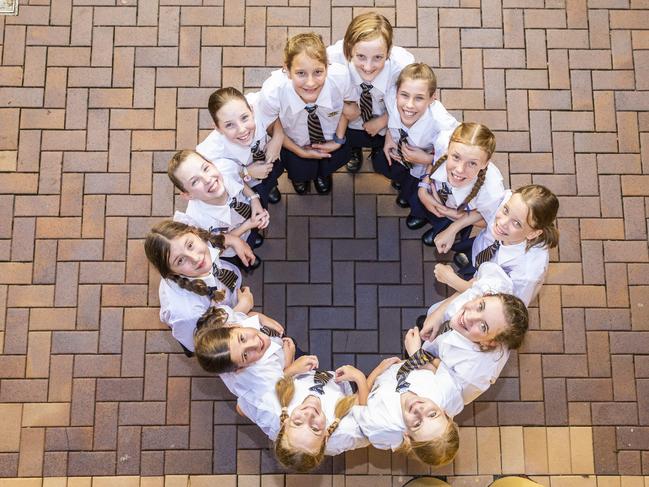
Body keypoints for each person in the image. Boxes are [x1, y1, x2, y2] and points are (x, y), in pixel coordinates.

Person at [256, 32, 359, 195]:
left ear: (327, 66)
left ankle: (323, 174)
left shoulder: (340, 78)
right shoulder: (272, 92)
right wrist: (300, 151)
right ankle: (300, 178)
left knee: (327, 162)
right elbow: (270, 125)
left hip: (329, 137)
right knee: (299, 167)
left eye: (318, 72)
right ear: (287, 70)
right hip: (294, 141)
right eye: (301, 73)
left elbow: (349, 106)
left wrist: (338, 140)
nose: (310, 83)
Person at [418, 263, 529, 406]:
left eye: (483, 326)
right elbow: (475, 285)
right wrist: (438, 314)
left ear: (490, 342)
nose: (470, 317)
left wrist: (417, 353)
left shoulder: (472, 374)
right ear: (487, 295)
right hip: (439, 330)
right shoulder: (497, 285)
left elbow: (444, 396)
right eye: (481, 306)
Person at [435, 184, 560, 306]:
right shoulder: (509, 199)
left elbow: (502, 306)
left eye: (516, 223)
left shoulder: (526, 275)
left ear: (533, 234)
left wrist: (452, 280)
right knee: (470, 261)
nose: (502, 222)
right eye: (505, 210)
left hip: (489, 290)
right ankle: (470, 264)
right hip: (482, 248)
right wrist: (452, 229)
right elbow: (485, 211)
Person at [144, 219, 253, 351]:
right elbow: (204, 344)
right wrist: (242, 308)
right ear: (170, 272)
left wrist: (234, 240)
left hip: (225, 295)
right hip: (214, 328)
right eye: (180, 260)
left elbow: (212, 240)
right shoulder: (187, 314)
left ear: (194, 233)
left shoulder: (195, 242)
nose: (195, 258)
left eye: (190, 245)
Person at [326, 12, 414, 174]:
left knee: (381, 141)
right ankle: (354, 149)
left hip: (384, 120)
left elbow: (416, 101)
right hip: (348, 122)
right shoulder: (331, 59)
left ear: (388, 52)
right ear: (349, 49)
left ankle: (377, 148)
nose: (368, 67)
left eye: (378, 57)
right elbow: (310, 86)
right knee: (350, 137)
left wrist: (383, 120)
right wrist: (342, 107)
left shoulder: (403, 67)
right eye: (360, 57)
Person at [374, 63, 459, 217]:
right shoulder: (391, 98)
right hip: (397, 152)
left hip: (421, 167)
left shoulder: (442, 123)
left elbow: (459, 152)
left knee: (411, 190)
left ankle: (408, 199)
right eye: (404, 95)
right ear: (397, 93)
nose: (409, 105)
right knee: (384, 166)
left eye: (419, 98)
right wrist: (388, 137)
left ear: (432, 98)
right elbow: (392, 118)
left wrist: (427, 159)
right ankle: (400, 181)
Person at [352, 353, 461, 467]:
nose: (419, 409)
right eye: (433, 414)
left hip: (379, 378)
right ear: (445, 413)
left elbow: (362, 408)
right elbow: (436, 371)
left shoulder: (382, 423)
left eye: (417, 424)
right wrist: (416, 354)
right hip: (404, 364)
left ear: (407, 436)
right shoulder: (441, 393)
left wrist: (375, 372)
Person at [167, 149, 269, 270]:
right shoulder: (196, 222)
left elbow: (238, 180)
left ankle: (253, 239)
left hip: (250, 218)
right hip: (231, 249)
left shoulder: (226, 168)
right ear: (188, 195)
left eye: (205, 168)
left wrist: (254, 198)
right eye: (195, 181)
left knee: (253, 237)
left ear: (212, 163)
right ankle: (249, 257)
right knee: (243, 255)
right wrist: (247, 226)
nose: (207, 179)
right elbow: (214, 245)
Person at [416, 122, 505, 248]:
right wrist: (423, 189)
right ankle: (427, 218)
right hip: (433, 196)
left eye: (472, 163)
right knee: (427, 212)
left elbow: (486, 220)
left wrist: (454, 220)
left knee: (443, 226)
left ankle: (440, 230)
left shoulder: (492, 192)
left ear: (485, 164)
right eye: (456, 157)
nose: (459, 169)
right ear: (448, 148)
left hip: (457, 218)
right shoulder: (443, 142)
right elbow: (434, 161)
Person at [196, 87, 284, 205]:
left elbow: (274, 113)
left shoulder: (260, 104)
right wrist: (246, 172)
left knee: (275, 172)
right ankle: (266, 191)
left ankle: (272, 186)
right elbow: (221, 177)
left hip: (270, 157)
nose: (242, 130)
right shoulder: (211, 152)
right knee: (261, 193)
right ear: (218, 128)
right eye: (229, 125)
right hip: (249, 181)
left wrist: (278, 138)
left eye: (244, 118)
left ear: (252, 111)